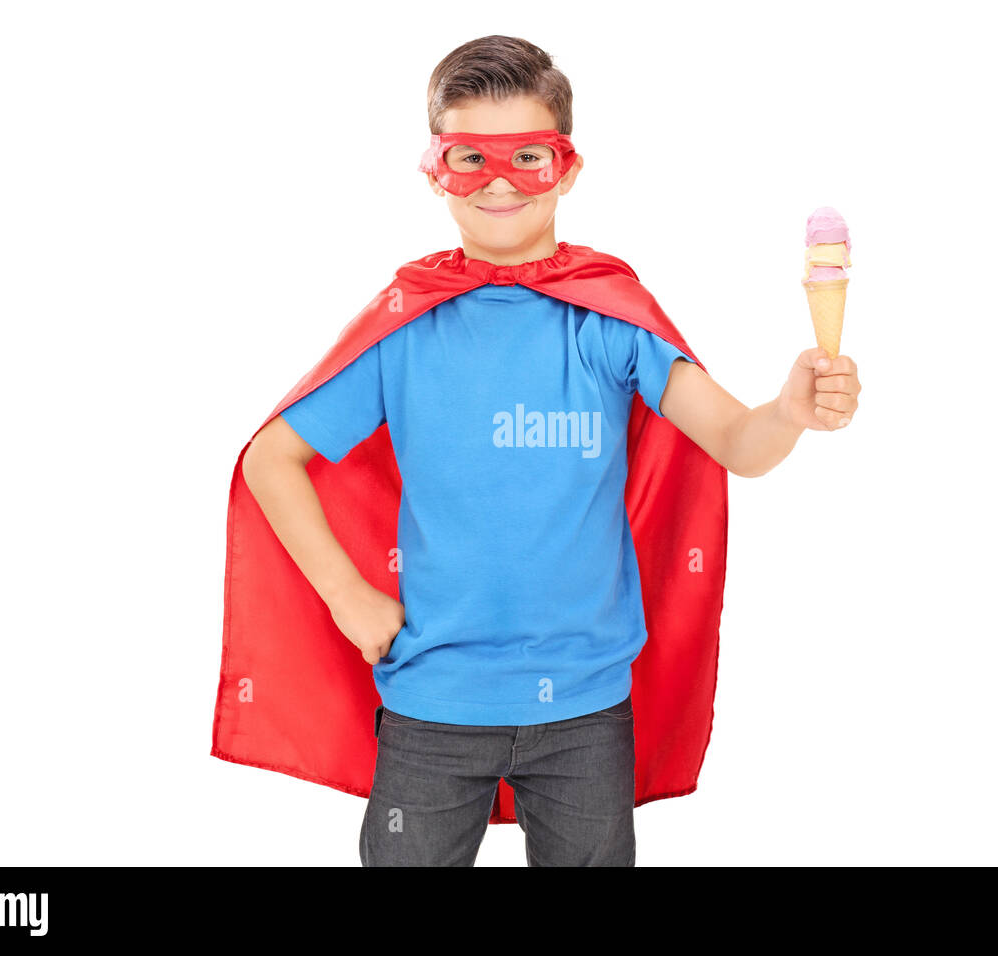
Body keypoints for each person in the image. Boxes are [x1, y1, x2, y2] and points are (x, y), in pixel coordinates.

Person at [214, 35, 861, 866]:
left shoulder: (610, 319)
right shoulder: (406, 324)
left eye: (527, 155)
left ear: (568, 167)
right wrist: (349, 597)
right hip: (432, 703)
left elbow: (739, 443)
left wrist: (791, 408)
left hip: (585, 711)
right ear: (435, 169)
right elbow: (272, 457)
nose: (498, 182)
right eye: (469, 158)